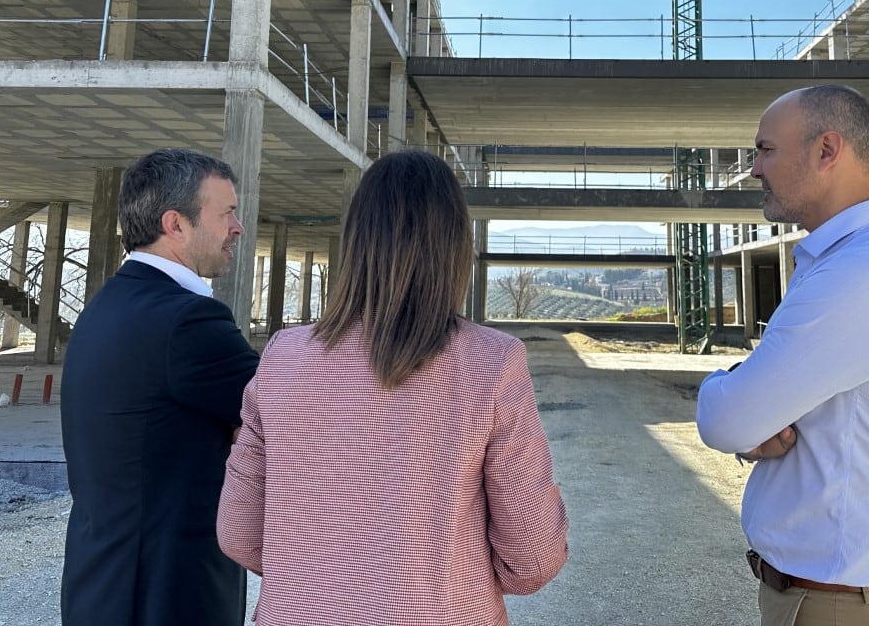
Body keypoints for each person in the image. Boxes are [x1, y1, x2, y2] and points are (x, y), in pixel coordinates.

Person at [217, 149, 569, 626]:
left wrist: (319, 577)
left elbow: (238, 532)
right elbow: (532, 559)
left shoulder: (282, 356)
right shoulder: (492, 361)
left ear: (356, 242)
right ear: (454, 248)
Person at [696, 85, 869, 626]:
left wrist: (726, 386)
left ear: (827, 151)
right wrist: (756, 409)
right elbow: (769, 414)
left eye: (765, 150)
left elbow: (726, 419)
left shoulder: (859, 275)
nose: (755, 169)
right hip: (846, 595)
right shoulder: (853, 261)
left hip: (846, 605)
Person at [61, 148, 260, 626]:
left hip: (101, 584)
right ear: (176, 224)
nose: (237, 227)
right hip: (167, 595)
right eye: (228, 212)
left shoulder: (107, 306)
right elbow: (286, 416)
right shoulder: (188, 321)